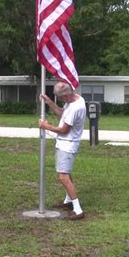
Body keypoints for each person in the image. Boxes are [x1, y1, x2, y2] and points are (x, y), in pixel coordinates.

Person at [38, 82, 87, 220]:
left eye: (60, 98)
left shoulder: (75, 108)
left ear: (66, 95)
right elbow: (62, 113)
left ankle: (78, 210)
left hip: (67, 144)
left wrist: (45, 126)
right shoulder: (75, 100)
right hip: (65, 143)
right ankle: (68, 201)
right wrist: (49, 102)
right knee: (66, 173)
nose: (60, 100)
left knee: (63, 176)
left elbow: (64, 130)